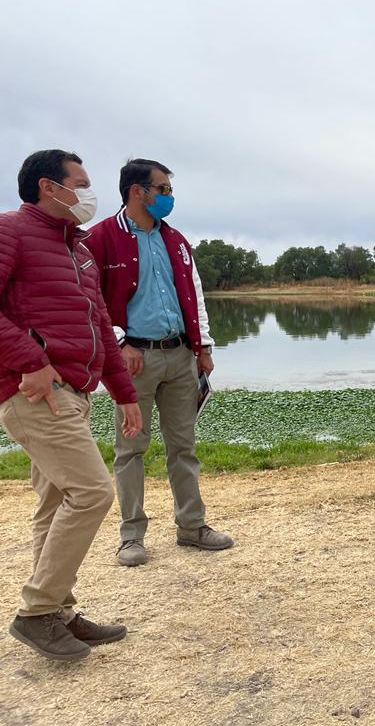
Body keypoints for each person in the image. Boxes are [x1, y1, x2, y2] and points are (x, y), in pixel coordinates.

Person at [1, 150, 143, 660]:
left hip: (75, 393)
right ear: (48, 186)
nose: (88, 194)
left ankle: (56, 611)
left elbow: (100, 325)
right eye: (80, 183)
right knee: (91, 493)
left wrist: (123, 393)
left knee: (54, 504)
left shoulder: (79, 249)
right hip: (37, 391)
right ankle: (37, 612)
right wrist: (29, 360)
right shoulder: (11, 231)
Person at [87, 158, 233, 566]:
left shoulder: (176, 240)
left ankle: (192, 526)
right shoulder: (100, 239)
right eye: (163, 189)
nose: (169, 197)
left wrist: (203, 347)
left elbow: (194, 294)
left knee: (183, 446)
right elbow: (89, 297)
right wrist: (118, 343)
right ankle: (131, 536)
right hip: (134, 361)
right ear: (138, 191)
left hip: (181, 355)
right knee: (130, 450)